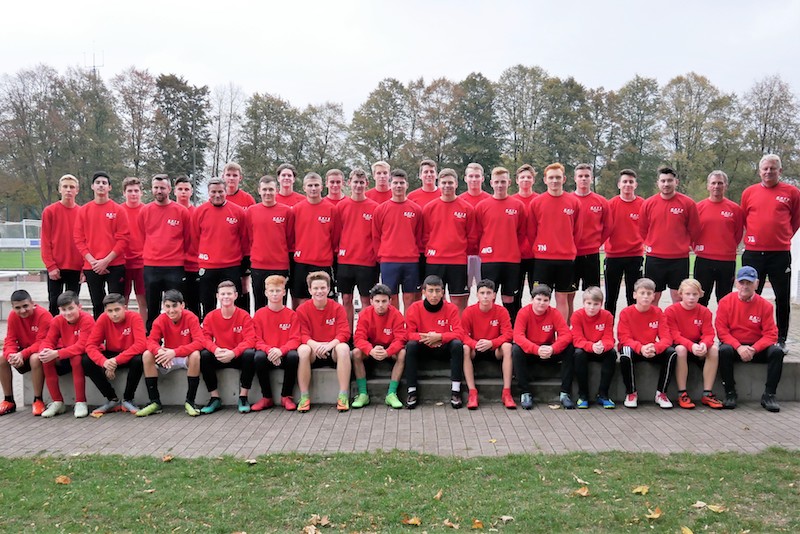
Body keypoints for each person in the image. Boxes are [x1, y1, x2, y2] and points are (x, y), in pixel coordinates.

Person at [740, 154, 800, 350]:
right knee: (750, 296)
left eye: (772, 168)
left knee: (782, 297)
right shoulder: (749, 192)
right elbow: (745, 219)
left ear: (779, 171)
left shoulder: (792, 192)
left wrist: (781, 237)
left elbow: (795, 221)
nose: (768, 172)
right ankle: (750, 336)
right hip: (753, 253)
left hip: (779, 254)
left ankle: (781, 338)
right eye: (765, 169)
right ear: (759, 171)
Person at [716, 266, 784, 412]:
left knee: (777, 352)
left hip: (756, 347)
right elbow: (722, 331)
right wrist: (739, 347)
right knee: (724, 350)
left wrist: (754, 349)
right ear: (736, 283)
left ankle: (769, 395)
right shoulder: (725, 302)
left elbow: (771, 334)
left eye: (749, 283)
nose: (745, 286)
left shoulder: (765, 305)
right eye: (742, 282)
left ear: (757, 284)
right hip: (735, 346)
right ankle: (730, 393)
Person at [137, 290, 204, 417]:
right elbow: (150, 341)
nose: (171, 310)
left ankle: (190, 401)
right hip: (167, 358)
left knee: (195, 355)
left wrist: (175, 352)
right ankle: (154, 402)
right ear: (163, 306)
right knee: (147, 354)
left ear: (182, 305)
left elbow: (200, 342)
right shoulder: (160, 320)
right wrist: (159, 351)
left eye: (174, 306)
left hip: (184, 357)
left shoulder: (191, 317)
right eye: (167, 306)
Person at [528, 163, 582, 321]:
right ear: (545, 180)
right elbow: (531, 232)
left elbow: (577, 231)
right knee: (539, 298)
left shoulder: (574, 202)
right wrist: (541, 246)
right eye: (551, 177)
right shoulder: (536, 203)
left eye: (558, 177)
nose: (554, 181)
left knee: (562, 298)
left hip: (565, 258)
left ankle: (561, 332)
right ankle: (538, 331)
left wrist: (568, 247)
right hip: (542, 259)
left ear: (564, 179)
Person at [639, 166, 700, 305]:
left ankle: (675, 320)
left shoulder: (688, 203)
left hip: (679, 259)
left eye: (669, 180)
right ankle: (654, 320)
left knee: (678, 298)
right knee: (653, 297)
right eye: (663, 181)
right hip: (655, 258)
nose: (666, 184)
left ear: (676, 182)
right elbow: (642, 229)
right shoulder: (648, 204)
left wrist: (685, 245)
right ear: (658, 183)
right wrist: (652, 243)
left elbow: (694, 229)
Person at [73, 171, 130, 319]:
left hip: (115, 265)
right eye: (98, 183)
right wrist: (93, 261)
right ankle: (100, 332)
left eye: (104, 183)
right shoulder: (83, 211)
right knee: (97, 304)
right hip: (92, 266)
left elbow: (123, 239)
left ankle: (117, 332)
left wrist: (106, 261)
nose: (101, 185)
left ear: (109, 187)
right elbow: (79, 239)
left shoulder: (119, 210)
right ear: (92, 186)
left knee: (116, 304)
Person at [138, 174, 190, 332]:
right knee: (152, 306)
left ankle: (177, 336)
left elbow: (187, 238)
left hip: (174, 267)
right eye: (156, 187)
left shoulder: (181, 211)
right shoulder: (145, 211)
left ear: (169, 189)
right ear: (152, 189)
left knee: (175, 307)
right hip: (151, 266)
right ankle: (152, 338)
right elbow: (142, 236)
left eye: (162, 188)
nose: (159, 191)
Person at [404, 275, 465, 409]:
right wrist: (427, 338)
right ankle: (411, 391)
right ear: (424, 292)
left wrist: (440, 337)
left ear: (443, 292)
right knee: (411, 346)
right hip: (424, 346)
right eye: (430, 291)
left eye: (437, 291)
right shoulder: (414, 308)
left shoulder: (452, 308)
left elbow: (460, 333)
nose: (434, 295)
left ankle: (456, 391)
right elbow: (407, 334)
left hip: (442, 347)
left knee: (457, 345)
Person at [192, 177, 249, 319]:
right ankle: (208, 331)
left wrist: (244, 266)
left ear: (226, 192)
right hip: (208, 266)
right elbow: (195, 239)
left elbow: (244, 239)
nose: (217, 195)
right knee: (208, 304)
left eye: (220, 192)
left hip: (231, 266)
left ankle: (235, 330)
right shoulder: (199, 212)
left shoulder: (238, 212)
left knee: (233, 305)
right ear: (208, 193)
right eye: (213, 192)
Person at [475, 167, 527, 321]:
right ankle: (487, 329)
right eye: (497, 182)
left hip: (511, 260)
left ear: (509, 182)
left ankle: (510, 329)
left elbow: (522, 232)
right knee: (487, 297)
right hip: (490, 260)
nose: (500, 185)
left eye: (503, 182)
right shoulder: (482, 206)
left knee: (509, 298)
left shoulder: (518, 206)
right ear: (491, 183)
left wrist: (512, 247)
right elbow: (477, 232)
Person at [295, 271, 352, 412]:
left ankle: (343, 395)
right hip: (313, 351)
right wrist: (316, 345)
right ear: (310, 290)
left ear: (328, 289)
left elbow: (344, 333)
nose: (319, 291)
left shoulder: (337, 308)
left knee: (343, 348)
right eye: (315, 288)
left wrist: (329, 345)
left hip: (332, 350)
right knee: (303, 350)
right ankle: (304, 397)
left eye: (322, 288)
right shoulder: (302, 309)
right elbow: (302, 335)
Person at [422, 168, 477, 312]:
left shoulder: (467, 208)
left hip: (458, 261)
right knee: (435, 299)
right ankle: (438, 326)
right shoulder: (429, 208)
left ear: (456, 184)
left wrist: (460, 251)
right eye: (444, 183)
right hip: (435, 261)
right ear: (438, 184)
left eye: (450, 183)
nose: (447, 186)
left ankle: (458, 327)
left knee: (458, 300)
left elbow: (471, 236)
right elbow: (425, 235)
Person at [512, 284, 575, 410]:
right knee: (516, 349)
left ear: (549, 302)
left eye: (545, 300)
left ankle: (565, 393)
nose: (542, 303)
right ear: (532, 299)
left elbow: (566, 335)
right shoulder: (523, 313)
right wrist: (536, 349)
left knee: (570, 348)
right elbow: (518, 336)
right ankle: (525, 393)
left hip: (549, 351)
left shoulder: (554, 313)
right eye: (538, 299)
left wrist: (553, 348)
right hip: (531, 352)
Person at [199, 281, 258, 414]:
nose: (226, 296)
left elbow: (250, 339)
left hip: (237, 356)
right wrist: (215, 350)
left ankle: (243, 397)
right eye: (223, 294)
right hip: (220, 355)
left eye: (229, 294)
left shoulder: (244, 315)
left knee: (250, 354)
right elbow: (204, 338)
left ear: (235, 295)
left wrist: (234, 352)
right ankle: (214, 398)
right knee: (204, 355)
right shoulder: (211, 316)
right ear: (217, 296)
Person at [616, 278, 676, 409]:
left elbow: (666, 338)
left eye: (649, 293)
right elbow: (624, 338)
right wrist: (641, 348)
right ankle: (631, 393)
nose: (645, 296)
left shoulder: (658, 312)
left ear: (654, 296)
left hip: (651, 349)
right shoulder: (626, 313)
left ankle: (661, 394)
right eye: (642, 293)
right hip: (635, 349)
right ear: (634, 295)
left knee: (672, 353)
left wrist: (656, 347)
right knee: (625, 352)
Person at [84, 293, 146, 415]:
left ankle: (128, 399)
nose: (114, 314)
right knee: (86, 360)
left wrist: (116, 361)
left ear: (125, 307)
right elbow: (90, 345)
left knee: (139, 359)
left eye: (117, 309)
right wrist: (104, 362)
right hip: (111, 355)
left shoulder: (135, 317)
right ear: (105, 311)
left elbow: (141, 344)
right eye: (110, 311)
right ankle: (112, 399)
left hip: (129, 354)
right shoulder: (103, 319)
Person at [665, 279, 723, 410]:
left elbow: (709, 333)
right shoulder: (671, 311)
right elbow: (674, 335)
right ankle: (682, 393)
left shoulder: (705, 311)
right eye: (688, 294)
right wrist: (691, 346)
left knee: (713, 349)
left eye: (695, 294)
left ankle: (707, 393)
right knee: (681, 350)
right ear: (680, 294)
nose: (691, 297)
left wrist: (704, 344)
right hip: (680, 344)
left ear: (700, 295)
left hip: (697, 346)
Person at [372, 169, 423, 311]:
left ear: (407, 185)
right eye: (395, 183)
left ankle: (409, 324)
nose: (398, 186)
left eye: (401, 183)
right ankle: (396, 324)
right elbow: (376, 236)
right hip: (389, 260)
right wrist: (381, 256)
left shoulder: (416, 209)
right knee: (391, 297)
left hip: (410, 260)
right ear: (390, 185)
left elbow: (419, 236)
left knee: (409, 297)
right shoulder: (380, 210)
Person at [37, 291, 94, 418]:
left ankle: (80, 402)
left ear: (79, 307)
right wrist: (44, 351)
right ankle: (57, 402)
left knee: (76, 358)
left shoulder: (87, 319)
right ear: (59, 310)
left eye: (71, 308)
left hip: (86, 355)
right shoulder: (57, 320)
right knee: (46, 359)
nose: (67, 313)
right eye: (64, 310)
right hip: (67, 353)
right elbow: (48, 340)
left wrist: (57, 353)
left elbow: (82, 346)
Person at [351, 283, 407, 409]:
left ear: (390, 301)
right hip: (371, 349)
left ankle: (391, 393)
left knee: (402, 353)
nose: (380, 305)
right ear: (371, 301)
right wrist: (370, 350)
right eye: (377, 301)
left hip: (389, 349)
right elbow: (358, 338)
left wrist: (388, 351)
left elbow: (401, 339)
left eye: (384, 301)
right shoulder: (364, 314)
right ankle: (363, 394)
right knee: (356, 353)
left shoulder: (396, 315)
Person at [461, 279, 515, 410]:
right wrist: (474, 344)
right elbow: (462, 335)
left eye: (488, 293)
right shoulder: (469, 311)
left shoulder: (501, 311)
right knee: (465, 348)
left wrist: (492, 343)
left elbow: (508, 334)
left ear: (494, 295)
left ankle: (507, 393)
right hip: (476, 349)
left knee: (507, 347)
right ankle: (472, 393)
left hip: (494, 349)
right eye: (482, 293)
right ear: (477, 295)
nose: (485, 296)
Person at [336, 168, 379, 329]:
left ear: (367, 184)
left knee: (366, 300)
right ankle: (348, 334)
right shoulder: (341, 206)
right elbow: (336, 233)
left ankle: (363, 333)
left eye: (361, 182)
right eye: (355, 182)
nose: (358, 185)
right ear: (349, 183)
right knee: (346, 299)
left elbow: (377, 235)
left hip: (367, 262)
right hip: (345, 261)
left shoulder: (375, 207)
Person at [290, 172, 340, 309]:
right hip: (302, 262)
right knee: (302, 300)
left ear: (322, 187)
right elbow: (291, 236)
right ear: (304, 188)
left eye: (316, 185)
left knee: (323, 301)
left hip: (323, 262)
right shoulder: (296, 210)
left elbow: (335, 237)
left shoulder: (331, 209)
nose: (313, 188)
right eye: (310, 185)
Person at [694, 171, 744, 306]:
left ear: (726, 186)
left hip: (726, 261)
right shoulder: (698, 208)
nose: (716, 186)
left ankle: (723, 321)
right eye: (713, 183)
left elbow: (738, 233)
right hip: (703, 260)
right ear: (708, 186)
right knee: (700, 299)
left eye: (720, 183)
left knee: (725, 300)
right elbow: (693, 231)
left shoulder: (735, 209)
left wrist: (727, 248)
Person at [568, 164, 611, 319]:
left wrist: (596, 243)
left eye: (587, 176)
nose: (584, 179)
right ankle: (569, 327)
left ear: (591, 178)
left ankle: (591, 326)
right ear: (575, 178)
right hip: (571, 255)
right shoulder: (568, 200)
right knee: (569, 294)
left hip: (591, 255)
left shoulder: (601, 201)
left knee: (592, 295)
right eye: (580, 176)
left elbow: (608, 227)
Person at [251, 275, 300, 411]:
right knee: (258, 357)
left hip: (284, 354)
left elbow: (295, 339)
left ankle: (286, 396)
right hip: (268, 354)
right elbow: (256, 339)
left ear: (284, 292)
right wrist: (270, 350)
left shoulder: (292, 315)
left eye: (278, 291)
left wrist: (281, 351)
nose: (274, 294)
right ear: (266, 293)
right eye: (271, 291)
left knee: (293, 356)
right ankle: (267, 397)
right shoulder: (259, 314)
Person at [0, 290, 52, 416]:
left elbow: (42, 342)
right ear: (13, 307)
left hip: (41, 352)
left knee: (35, 358)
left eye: (25, 306)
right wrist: (11, 355)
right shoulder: (13, 316)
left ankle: (38, 400)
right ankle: (9, 400)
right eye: (18, 308)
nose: (22, 311)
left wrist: (22, 354)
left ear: (32, 303)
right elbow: (10, 340)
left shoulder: (44, 315)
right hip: (23, 353)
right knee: (2, 359)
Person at [247, 175, 294, 311]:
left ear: (276, 190)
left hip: (279, 266)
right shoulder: (251, 211)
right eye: (265, 189)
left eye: (271, 189)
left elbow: (290, 238)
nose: (268, 193)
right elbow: (250, 237)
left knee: (279, 305)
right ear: (259, 191)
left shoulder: (286, 211)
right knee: (260, 305)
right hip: (258, 266)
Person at [41, 174, 83, 316]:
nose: (68, 190)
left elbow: (86, 241)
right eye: (65, 187)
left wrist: (84, 268)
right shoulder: (50, 211)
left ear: (77, 190)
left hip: (76, 267)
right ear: (60, 189)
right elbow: (45, 241)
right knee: (54, 304)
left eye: (72, 187)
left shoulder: (82, 212)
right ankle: (53, 329)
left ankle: (72, 330)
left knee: (72, 306)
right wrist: (50, 266)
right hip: (56, 267)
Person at [604, 169, 644, 316]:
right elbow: (603, 227)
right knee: (611, 297)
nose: (628, 184)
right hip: (613, 256)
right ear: (619, 184)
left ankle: (633, 327)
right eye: (625, 181)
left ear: (636, 185)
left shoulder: (643, 204)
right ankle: (608, 328)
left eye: (631, 182)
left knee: (633, 297)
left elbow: (649, 227)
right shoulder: (610, 205)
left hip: (635, 256)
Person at [569, 286, 616, 409]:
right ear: (583, 303)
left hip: (600, 348)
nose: (592, 307)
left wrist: (603, 346)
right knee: (578, 354)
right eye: (589, 303)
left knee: (612, 353)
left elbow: (609, 338)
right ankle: (583, 395)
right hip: (585, 349)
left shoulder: (607, 316)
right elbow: (577, 339)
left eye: (596, 304)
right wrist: (591, 346)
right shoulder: (576, 316)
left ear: (601, 304)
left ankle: (603, 395)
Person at [221, 162, 255, 313]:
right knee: (225, 288)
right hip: (226, 252)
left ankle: (244, 317)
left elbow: (253, 225)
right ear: (223, 176)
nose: (231, 178)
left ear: (240, 178)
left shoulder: (247, 199)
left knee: (243, 286)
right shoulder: (218, 197)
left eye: (234, 175)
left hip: (244, 251)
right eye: (228, 175)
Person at [458, 163, 491, 288]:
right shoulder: (459, 201)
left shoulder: (489, 200)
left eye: (477, 176)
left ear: (482, 178)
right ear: (465, 178)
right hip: (464, 254)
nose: (474, 179)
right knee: (463, 291)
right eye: (471, 176)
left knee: (485, 291)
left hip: (484, 253)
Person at [120, 176, 147, 323]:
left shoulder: (147, 210)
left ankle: (142, 331)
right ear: (124, 193)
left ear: (141, 193)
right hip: (122, 262)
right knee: (122, 301)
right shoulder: (119, 211)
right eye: (130, 191)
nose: (133, 194)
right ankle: (123, 330)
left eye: (136, 191)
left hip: (142, 262)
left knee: (142, 300)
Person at [174, 175, 201, 316]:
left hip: (194, 265)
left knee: (194, 302)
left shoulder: (197, 212)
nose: (183, 192)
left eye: (186, 189)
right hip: (175, 265)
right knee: (177, 303)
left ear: (191, 192)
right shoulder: (170, 211)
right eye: (180, 189)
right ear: (174, 191)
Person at [512, 164, 538, 311]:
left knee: (537, 293)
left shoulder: (540, 200)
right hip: (517, 256)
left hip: (536, 256)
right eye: (522, 177)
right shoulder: (511, 201)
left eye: (529, 177)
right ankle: (516, 322)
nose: (525, 180)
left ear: (533, 180)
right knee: (516, 294)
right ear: (517, 180)